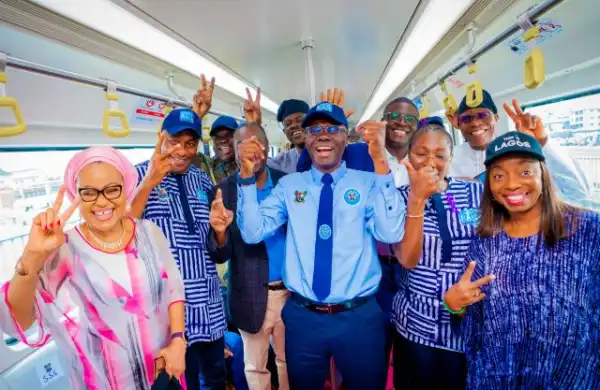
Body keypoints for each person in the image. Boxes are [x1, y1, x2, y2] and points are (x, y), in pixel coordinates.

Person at [236, 101, 406, 390]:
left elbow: (390, 232)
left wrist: (381, 164)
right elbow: (253, 233)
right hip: (304, 317)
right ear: (306, 137)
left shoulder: (368, 181)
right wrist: (246, 177)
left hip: (359, 316)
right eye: (315, 129)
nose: (323, 135)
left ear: (345, 136)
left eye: (332, 128)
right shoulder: (290, 186)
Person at [0, 147, 186, 390]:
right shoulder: (62, 251)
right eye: (88, 192)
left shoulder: (149, 233)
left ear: (126, 188)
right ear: (75, 196)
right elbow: (16, 323)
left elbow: (173, 288)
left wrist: (178, 341)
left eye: (112, 189)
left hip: (164, 373)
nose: (101, 201)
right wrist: (32, 256)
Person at [444, 131, 600, 389]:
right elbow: (476, 320)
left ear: (543, 176)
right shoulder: (485, 242)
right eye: (498, 175)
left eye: (525, 172)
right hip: (500, 376)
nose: (512, 184)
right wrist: (454, 304)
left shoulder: (589, 231)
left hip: (571, 374)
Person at [131, 108, 227, 390]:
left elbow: (212, 242)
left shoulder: (201, 179)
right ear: (160, 138)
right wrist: (150, 181)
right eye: (174, 141)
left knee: (216, 378)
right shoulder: (137, 175)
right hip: (169, 309)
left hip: (209, 303)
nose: (182, 150)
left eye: (190, 143)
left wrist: (221, 233)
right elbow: (126, 227)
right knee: (182, 383)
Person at [391, 117, 485, 389]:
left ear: (451, 157)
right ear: (409, 155)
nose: (431, 161)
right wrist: (417, 198)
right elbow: (407, 259)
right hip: (417, 326)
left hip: (465, 324)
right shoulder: (397, 198)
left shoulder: (475, 193)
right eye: (421, 153)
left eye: (440, 155)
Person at [208, 121, 290, 390]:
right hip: (249, 293)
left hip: (291, 293)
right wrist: (220, 233)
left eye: (257, 143)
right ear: (234, 151)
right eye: (243, 145)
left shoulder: (287, 184)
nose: (252, 150)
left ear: (266, 148)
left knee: (288, 362)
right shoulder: (223, 191)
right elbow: (220, 255)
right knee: (255, 367)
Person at [447, 91, 590, 203]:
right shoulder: (448, 159)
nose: (475, 123)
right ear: (459, 124)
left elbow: (577, 195)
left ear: (496, 118)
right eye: (466, 119)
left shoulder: (519, 152)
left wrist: (541, 142)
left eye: (482, 115)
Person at [192, 115, 240, 185]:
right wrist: (196, 115)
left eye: (229, 135)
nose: (223, 140)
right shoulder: (208, 166)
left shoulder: (247, 163)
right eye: (217, 137)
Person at [267, 98, 310, 173]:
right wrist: (253, 124)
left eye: (299, 120)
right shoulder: (282, 161)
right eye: (288, 124)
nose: (293, 125)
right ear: (284, 132)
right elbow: (259, 164)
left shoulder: (328, 151)